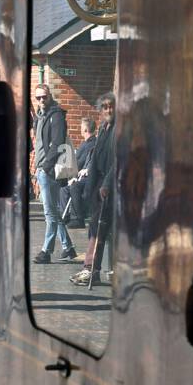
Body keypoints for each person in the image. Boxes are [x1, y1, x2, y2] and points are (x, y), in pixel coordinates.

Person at [71, 94, 116, 288]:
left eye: (111, 107)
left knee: (103, 229)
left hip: (112, 185)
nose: (108, 110)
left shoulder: (119, 130)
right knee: (96, 228)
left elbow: (118, 161)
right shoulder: (104, 129)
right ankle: (92, 269)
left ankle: (92, 269)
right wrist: (91, 187)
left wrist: (106, 184)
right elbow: (96, 158)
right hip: (99, 184)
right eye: (104, 107)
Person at [32, 83, 77, 263]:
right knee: (53, 213)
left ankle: (46, 251)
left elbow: (58, 143)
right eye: (38, 97)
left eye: (44, 96)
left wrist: (45, 166)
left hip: (48, 170)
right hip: (42, 169)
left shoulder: (56, 115)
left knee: (49, 213)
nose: (42, 100)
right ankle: (69, 248)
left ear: (50, 96)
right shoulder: (41, 115)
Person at [60, 116, 97, 228]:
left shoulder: (88, 145)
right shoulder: (88, 143)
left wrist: (72, 176)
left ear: (85, 130)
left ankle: (77, 218)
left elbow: (78, 164)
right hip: (81, 175)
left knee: (72, 186)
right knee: (63, 190)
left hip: (87, 177)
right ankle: (65, 216)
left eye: (81, 127)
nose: (80, 129)